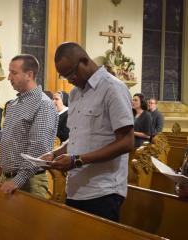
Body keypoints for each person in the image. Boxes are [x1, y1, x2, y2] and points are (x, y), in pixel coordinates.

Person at [44, 42, 134, 222]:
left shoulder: (112, 88)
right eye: (64, 75)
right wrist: (53, 155)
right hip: (76, 189)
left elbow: (127, 142)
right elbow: (77, 138)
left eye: (71, 73)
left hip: (103, 191)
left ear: (84, 61)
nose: (69, 79)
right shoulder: (76, 93)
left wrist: (77, 160)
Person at [0, 54, 59, 198]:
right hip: (8, 177)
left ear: (29, 75)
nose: (9, 77)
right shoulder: (15, 104)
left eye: (13, 73)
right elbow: (10, 136)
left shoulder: (43, 104)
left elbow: (39, 148)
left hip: (29, 182)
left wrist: (18, 180)